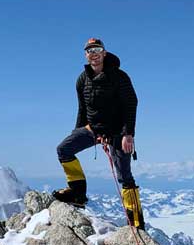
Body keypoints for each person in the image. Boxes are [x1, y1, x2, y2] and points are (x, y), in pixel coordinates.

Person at [53, 38, 145, 229]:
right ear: (86, 55)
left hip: (118, 132)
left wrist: (129, 134)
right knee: (64, 149)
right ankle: (77, 194)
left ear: (104, 53)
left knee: (124, 175)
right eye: (89, 50)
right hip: (93, 129)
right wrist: (78, 130)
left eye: (97, 49)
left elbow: (131, 104)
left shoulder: (119, 76)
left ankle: (136, 220)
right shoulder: (82, 78)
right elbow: (83, 108)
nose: (93, 53)